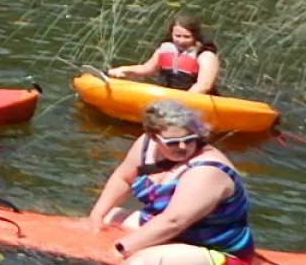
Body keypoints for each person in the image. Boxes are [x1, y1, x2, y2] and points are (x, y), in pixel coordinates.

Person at [87, 100, 257, 265]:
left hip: (213, 248)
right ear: (154, 137)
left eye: (189, 139)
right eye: (173, 142)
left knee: (141, 262)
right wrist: (97, 216)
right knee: (110, 216)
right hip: (172, 232)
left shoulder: (207, 170)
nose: (182, 147)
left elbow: (174, 222)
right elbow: (124, 178)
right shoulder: (146, 144)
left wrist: (120, 248)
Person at [108, 14, 221, 94]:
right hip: (170, 96)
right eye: (177, 36)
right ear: (171, 34)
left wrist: (181, 101)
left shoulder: (205, 55)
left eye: (187, 37)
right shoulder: (165, 50)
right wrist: (122, 70)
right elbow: (145, 69)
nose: (181, 41)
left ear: (196, 36)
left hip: (197, 99)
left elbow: (204, 86)